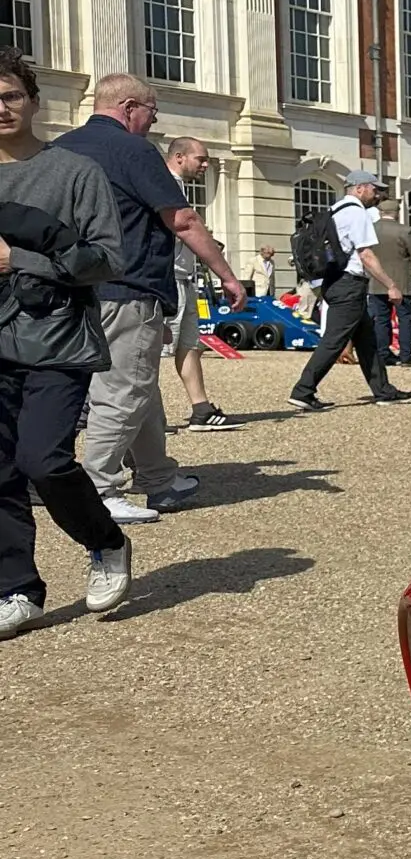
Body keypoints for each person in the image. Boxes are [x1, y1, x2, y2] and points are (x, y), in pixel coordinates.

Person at [53, 75, 244, 518]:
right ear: (130, 106)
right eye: (152, 113)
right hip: (126, 284)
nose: (152, 122)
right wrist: (228, 276)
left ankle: (157, 476)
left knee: (140, 384)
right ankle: (99, 489)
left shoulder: (59, 147)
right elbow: (181, 219)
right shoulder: (134, 150)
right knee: (123, 389)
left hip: (72, 288)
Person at [0, 48, 134, 637]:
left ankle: (105, 542)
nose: (0, 108)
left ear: (32, 99)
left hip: (56, 336)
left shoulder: (74, 172)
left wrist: (18, 258)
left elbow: (107, 258)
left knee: (43, 460)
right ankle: (17, 589)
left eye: (9, 95)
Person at [287, 169, 411, 411]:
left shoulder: (336, 210)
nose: (377, 194)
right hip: (349, 283)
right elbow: (365, 254)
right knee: (334, 340)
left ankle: (383, 390)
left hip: (333, 280)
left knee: (367, 341)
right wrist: (391, 284)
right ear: (359, 188)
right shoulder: (356, 214)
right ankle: (303, 390)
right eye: (373, 188)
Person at [160, 136, 234, 434]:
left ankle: (201, 409)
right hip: (169, 279)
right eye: (200, 159)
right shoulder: (165, 184)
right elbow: (180, 227)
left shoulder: (178, 186)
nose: (205, 165)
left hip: (185, 277)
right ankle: (149, 419)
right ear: (179, 157)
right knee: (155, 352)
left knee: (190, 344)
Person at [367, 203, 411, 368]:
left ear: (380, 212)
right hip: (401, 281)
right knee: (404, 318)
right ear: (396, 213)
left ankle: (383, 354)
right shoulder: (406, 230)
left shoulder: (370, 229)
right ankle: (405, 356)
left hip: (376, 281)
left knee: (381, 319)